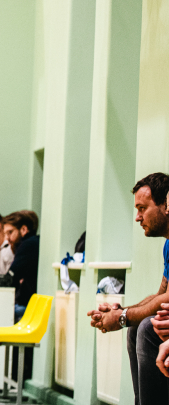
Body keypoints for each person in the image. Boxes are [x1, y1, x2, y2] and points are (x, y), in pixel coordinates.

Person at [88, 173, 169, 405]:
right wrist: (122, 311)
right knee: (137, 327)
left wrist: (122, 317)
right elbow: (161, 295)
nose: (137, 217)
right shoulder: (168, 244)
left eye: (142, 209)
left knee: (146, 328)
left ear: (165, 206)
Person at [2, 210, 40, 322]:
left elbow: (11, 277)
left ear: (23, 229)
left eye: (10, 232)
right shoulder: (33, 242)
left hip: (27, 305)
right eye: (5, 234)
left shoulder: (28, 244)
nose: (7, 238)